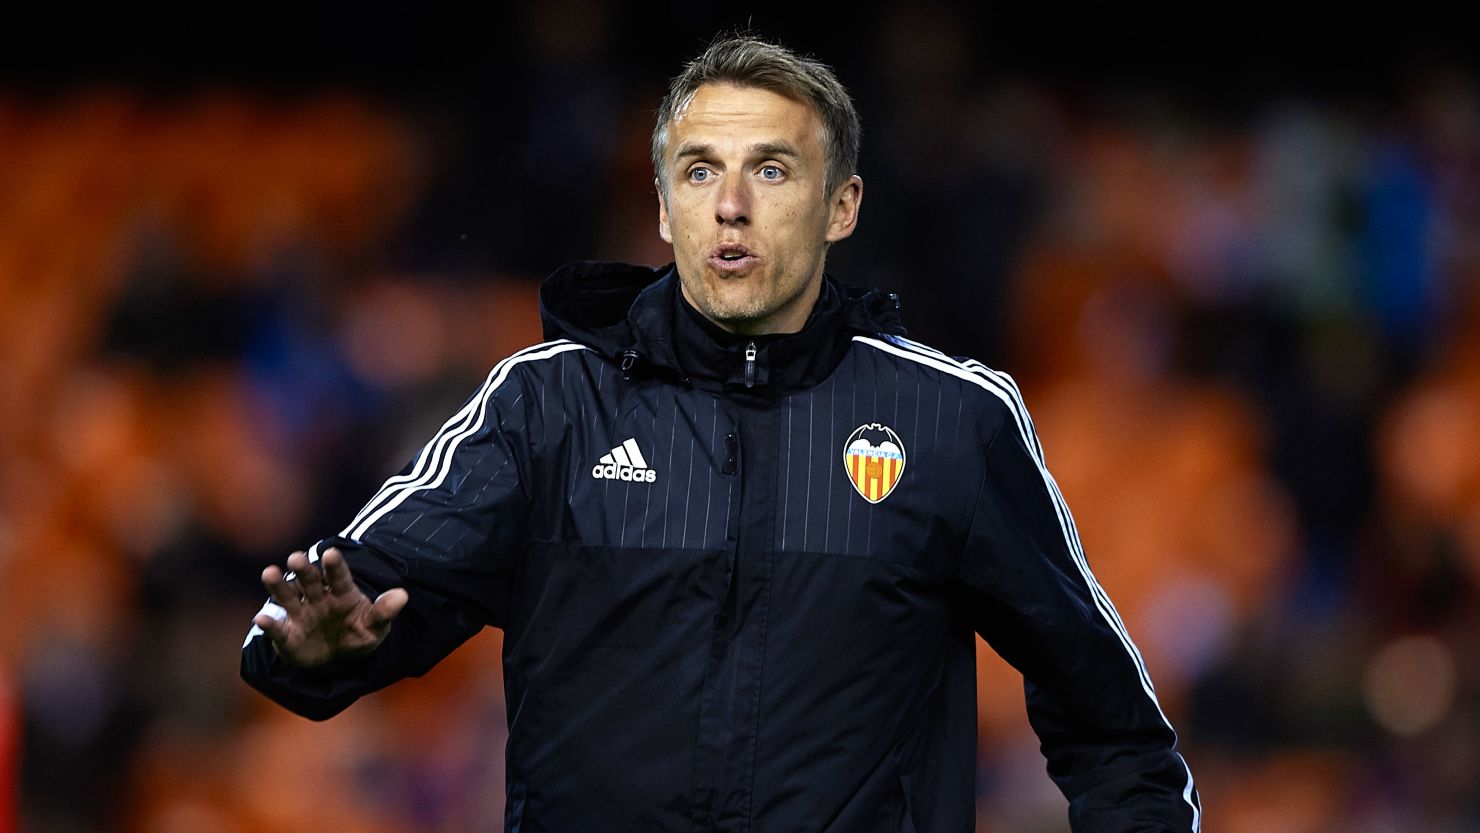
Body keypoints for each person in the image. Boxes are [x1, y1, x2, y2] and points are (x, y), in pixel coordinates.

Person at [241, 34, 1201, 833]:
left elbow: (1115, 731)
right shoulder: (546, 406)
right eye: (699, 171)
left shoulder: (951, 420)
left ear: (842, 208)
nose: (729, 204)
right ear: (663, 208)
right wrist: (314, 649)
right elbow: (360, 596)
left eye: (770, 170)